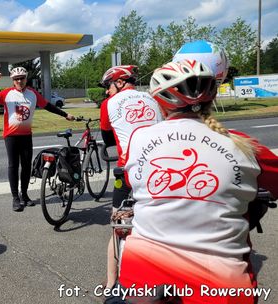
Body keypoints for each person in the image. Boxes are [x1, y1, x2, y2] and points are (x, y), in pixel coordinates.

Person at [118, 59, 278, 303]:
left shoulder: (139, 139)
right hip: (222, 287)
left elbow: (132, 180)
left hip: (142, 276)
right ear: (212, 98)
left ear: (160, 103)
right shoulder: (244, 145)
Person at [98, 65, 164, 290]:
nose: (107, 91)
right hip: (159, 172)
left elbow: (107, 136)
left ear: (118, 82)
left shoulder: (108, 104)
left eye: (108, 86)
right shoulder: (153, 99)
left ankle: (109, 284)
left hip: (128, 172)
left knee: (117, 224)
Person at [0, 67, 75, 212]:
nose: (19, 81)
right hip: (11, 136)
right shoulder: (7, 94)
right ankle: (15, 197)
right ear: (12, 81)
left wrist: (65, 114)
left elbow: (48, 106)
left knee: (27, 166)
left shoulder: (32, 94)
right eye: (16, 79)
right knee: (13, 166)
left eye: (22, 78)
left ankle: (25, 195)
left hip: (26, 135)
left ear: (26, 79)